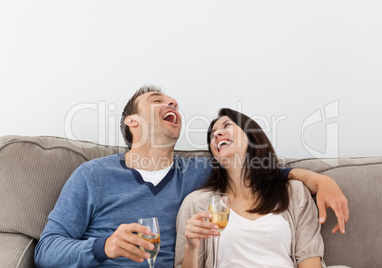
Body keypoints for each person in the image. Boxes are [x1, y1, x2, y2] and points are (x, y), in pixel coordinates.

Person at [34, 85, 349, 267]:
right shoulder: (92, 176)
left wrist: (319, 179)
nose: (172, 102)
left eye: (174, 102)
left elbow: (256, 172)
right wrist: (103, 247)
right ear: (132, 121)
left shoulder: (200, 174)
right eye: (157, 100)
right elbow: (46, 251)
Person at [175, 108, 327, 267]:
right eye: (212, 135)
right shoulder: (197, 203)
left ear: (252, 135)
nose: (217, 135)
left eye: (227, 126)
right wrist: (191, 246)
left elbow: (310, 258)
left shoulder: (294, 192)